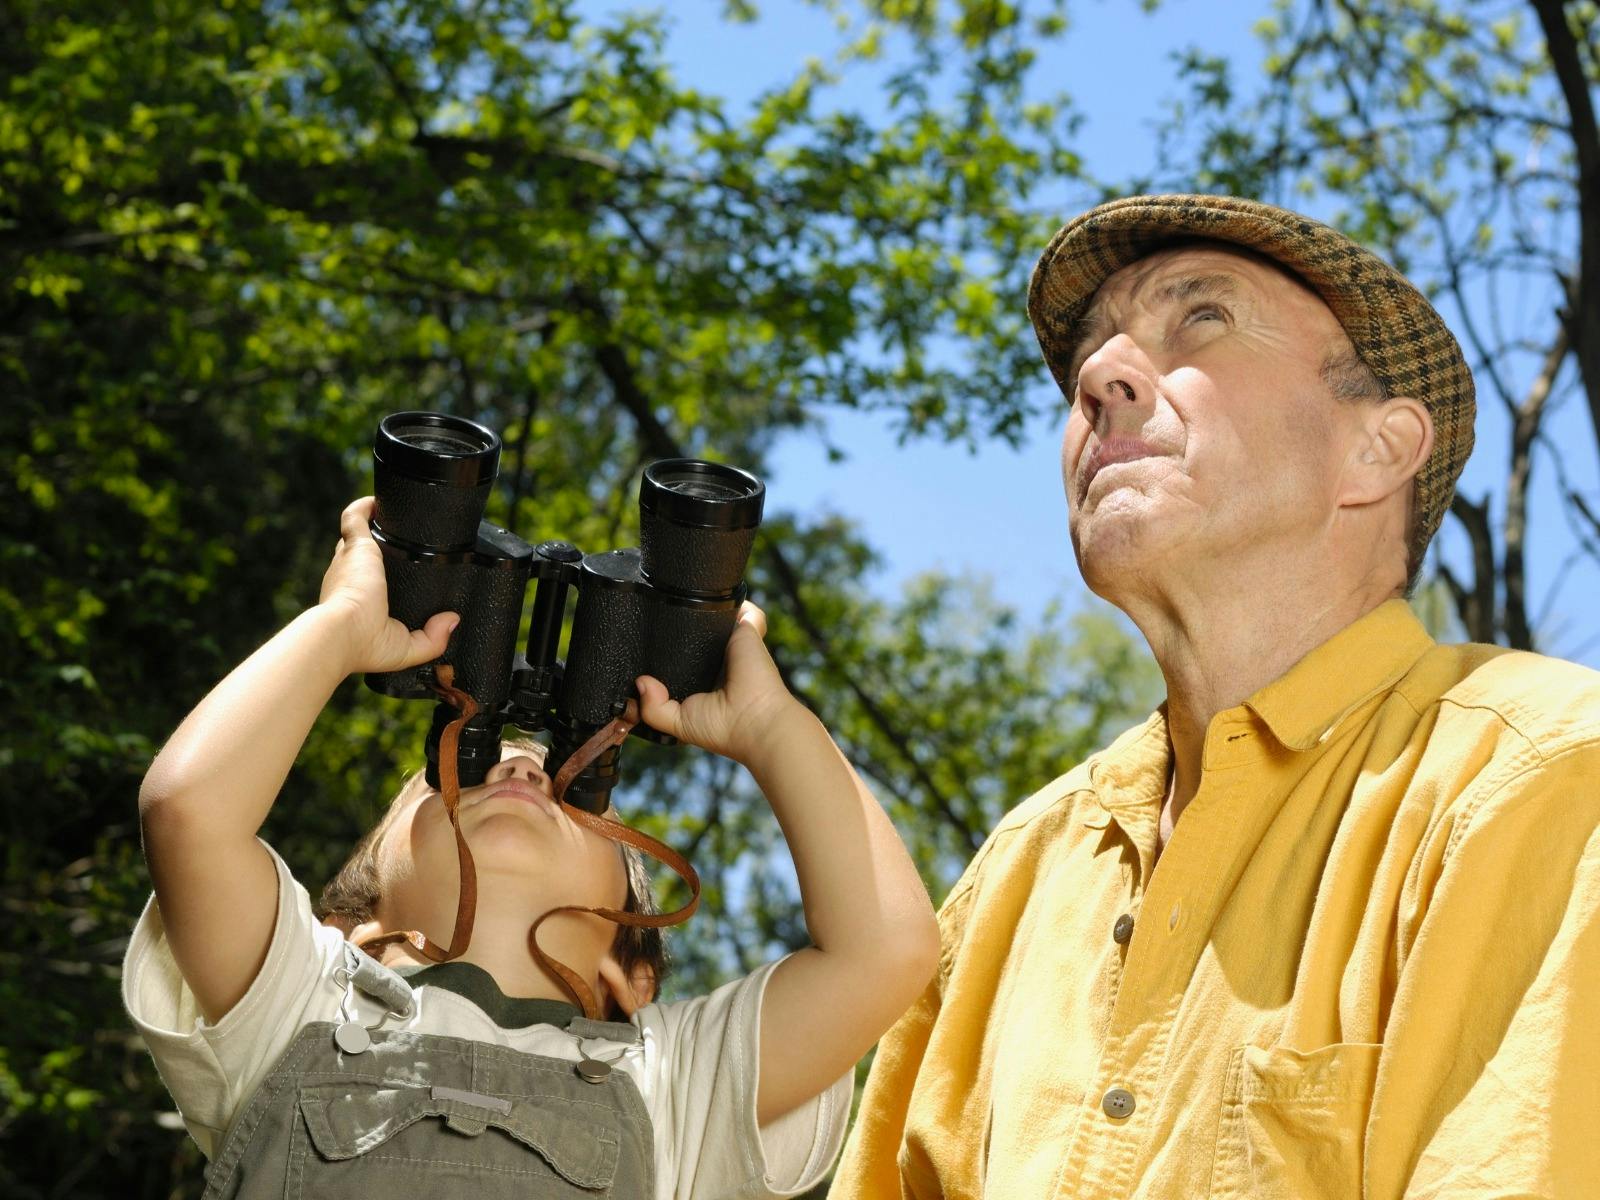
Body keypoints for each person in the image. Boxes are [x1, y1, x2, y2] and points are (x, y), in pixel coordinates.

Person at [831, 194, 1600, 1199]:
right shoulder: (1011, 880)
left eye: (1201, 319)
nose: (1098, 378)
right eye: (1089, 357)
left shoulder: (1543, 774)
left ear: (1376, 450)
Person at [124, 495, 940, 1199]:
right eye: (456, 773)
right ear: (347, 929)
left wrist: (771, 726)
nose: (521, 764)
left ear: (635, 974)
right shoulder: (302, 1002)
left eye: (576, 790)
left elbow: (889, 953)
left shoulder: (673, 1078)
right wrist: (340, 627)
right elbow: (189, 812)